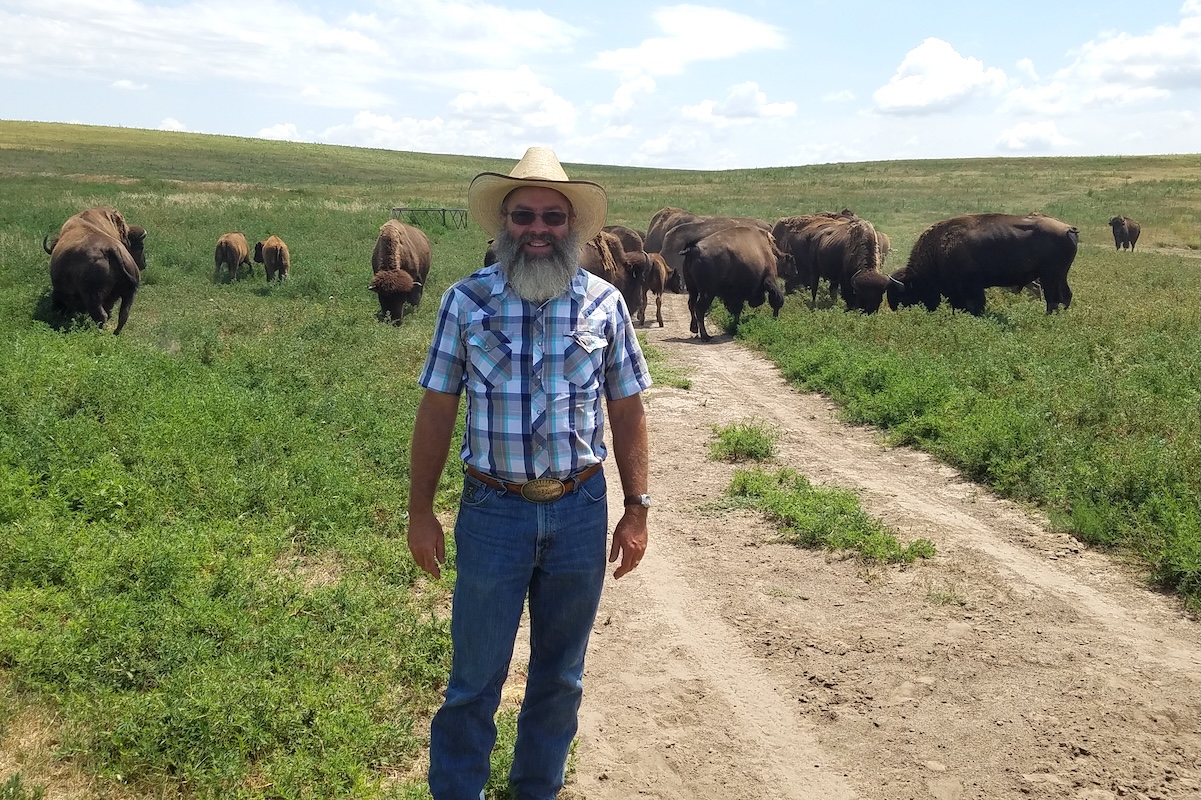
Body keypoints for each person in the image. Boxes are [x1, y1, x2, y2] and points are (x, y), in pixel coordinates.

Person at [407, 146, 653, 800]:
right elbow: (436, 407)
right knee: (473, 682)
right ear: (502, 224)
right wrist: (420, 510)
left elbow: (626, 410)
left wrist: (637, 506)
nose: (537, 229)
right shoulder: (465, 304)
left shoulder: (604, 305)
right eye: (523, 217)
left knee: (560, 679)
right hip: (493, 514)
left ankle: (535, 790)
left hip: (578, 510)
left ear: (572, 228)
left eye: (551, 217)